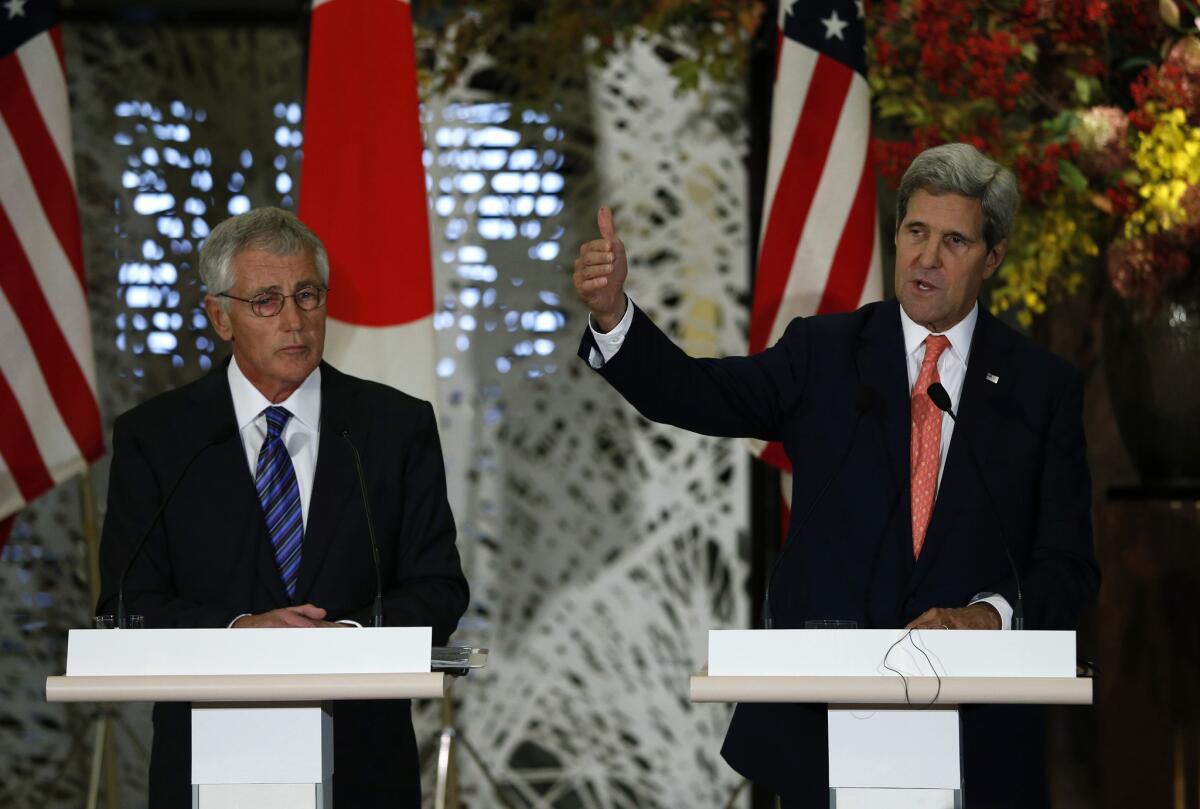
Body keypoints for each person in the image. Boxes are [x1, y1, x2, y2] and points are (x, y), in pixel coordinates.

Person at [572, 143, 1099, 807]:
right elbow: (697, 392)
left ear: (992, 257)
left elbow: (1069, 564)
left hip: (978, 736)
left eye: (954, 240)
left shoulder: (1040, 388)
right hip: (825, 726)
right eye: (915, 231)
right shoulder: (824, 353)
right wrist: (616, 315)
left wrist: (989, 618)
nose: (927, 257)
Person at [97, 207, 469, 808]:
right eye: (266, 301)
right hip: (206, 765)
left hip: (365, 768)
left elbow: (439, 589)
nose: (294, 321)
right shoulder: (159, 438)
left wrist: (344, 638)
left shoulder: (392, 426)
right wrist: (241, 632)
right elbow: (124, 605)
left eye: (307, 295)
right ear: (220, 316)